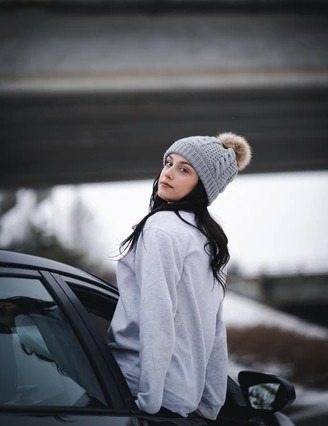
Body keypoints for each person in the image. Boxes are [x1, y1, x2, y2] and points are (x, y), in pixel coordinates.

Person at [108, 132, 252, 420]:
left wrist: (148, 400)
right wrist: (211, 403)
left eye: (184, 169)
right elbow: (213, 329)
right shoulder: (208, 239)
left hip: (137, 388)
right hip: (183, 395)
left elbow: (157, 316)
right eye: (168, 162)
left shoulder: (161, 228)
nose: (168, 173)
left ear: (204, 185)